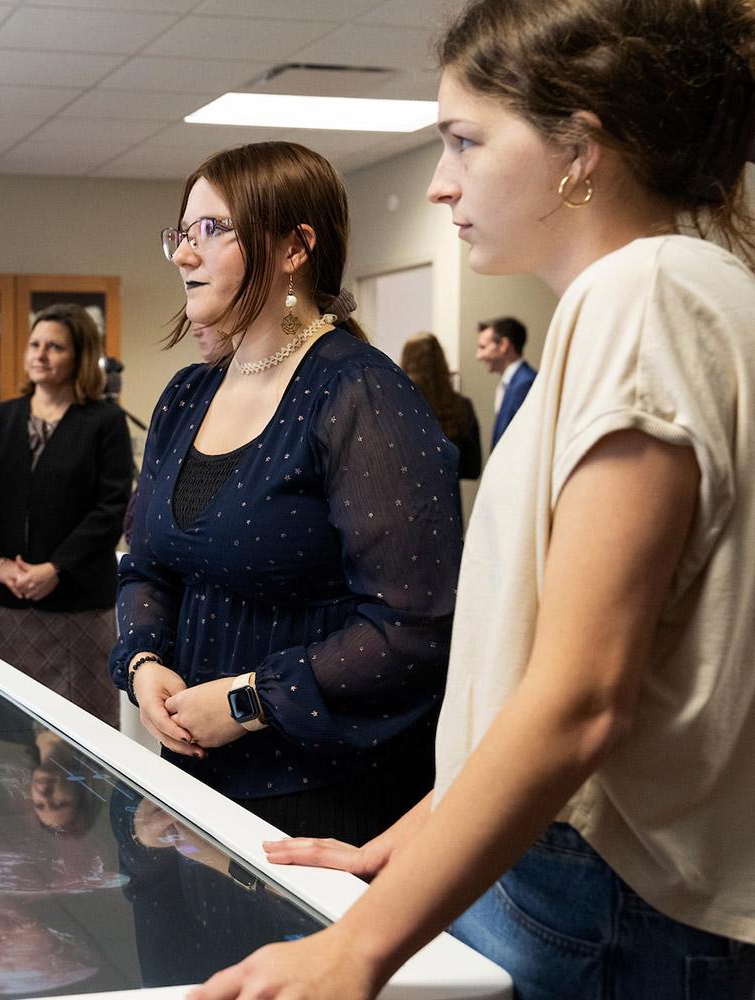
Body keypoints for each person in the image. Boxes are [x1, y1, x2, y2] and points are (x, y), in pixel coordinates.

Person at [192, 1, 755, 998]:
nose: (441, 180)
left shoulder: (646, 293)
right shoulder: (673, 289)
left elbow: (584, 698)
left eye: (463, 140)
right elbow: (534, 673)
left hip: (610, 897)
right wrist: (411, 840)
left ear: (577, 145)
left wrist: (358, 945)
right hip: (581, 870)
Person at [113, 141, 462, 847]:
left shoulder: (359, 394)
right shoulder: (189, 394)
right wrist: (145, 663)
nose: (184, 255)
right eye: (181, 234)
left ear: (295, 246)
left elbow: (413, 628)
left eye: (212, 231)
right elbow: (148, 565)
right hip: (190, 776)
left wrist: (248, 701)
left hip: (320, 797)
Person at [0, 303, 133, 727]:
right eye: (35, 344)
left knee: (85, 730)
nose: (40, 354)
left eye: (54, 347)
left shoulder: (105, 421)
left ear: (79, 356)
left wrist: (55, 567)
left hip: (76, 604)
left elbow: (110, 508)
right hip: (8, 599)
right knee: (12, 726)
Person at [400, 332, 481, 479]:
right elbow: (472, 469)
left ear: (406, 361)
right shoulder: (461, 406)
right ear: (441, 362)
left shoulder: (396, 403)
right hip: (447, 497)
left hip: (406, 496)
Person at [477, 315, 536, 446]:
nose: (479, 356)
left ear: (503, 345)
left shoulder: (524, 384)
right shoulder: (511, 383)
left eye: (483, 347)